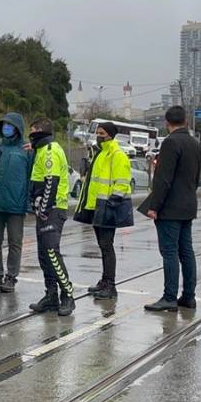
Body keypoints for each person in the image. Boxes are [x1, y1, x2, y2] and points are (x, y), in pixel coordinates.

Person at [137, 106, 201, 311]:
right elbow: (197, 177)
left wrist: (155, 206)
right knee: (186, 251)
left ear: (167, 123)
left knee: (170, 252)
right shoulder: (194, 143)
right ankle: (189, 296)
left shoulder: (170, 142)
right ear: (186, 122)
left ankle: (169, 297)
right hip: (188, 205)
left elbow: (163, 179)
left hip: (170, 208)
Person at [77, 122, 133, 300]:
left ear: (110, 135)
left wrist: (112, 202)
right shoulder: (100, 153)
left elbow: (122, 182)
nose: (98, 136)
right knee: (103, 246)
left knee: (107, 246)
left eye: (101, 133)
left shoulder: (117, 155)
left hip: (108, 207)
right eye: (97, 132)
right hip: (97, 207)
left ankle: (110, 285)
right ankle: (104, 281)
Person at [27, 118, 75, 316]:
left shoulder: (50, 151)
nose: (30, 134)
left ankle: (68, 295)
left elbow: (51, 182)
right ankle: (51, 295)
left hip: (52, 210)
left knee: (52, 253)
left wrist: (44, 209)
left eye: (33, 131)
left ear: (40, 131)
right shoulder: (41, 150)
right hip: (44, 211)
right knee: (43, 254)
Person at [0, 113, 32, 294]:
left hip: (17, 205)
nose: (6, 128)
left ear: (18, 128)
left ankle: (11, 277)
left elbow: (31, 177)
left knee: (15, 242)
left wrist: (28, 203)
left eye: (10, 125)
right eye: (4, 125)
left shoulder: (27, 150)